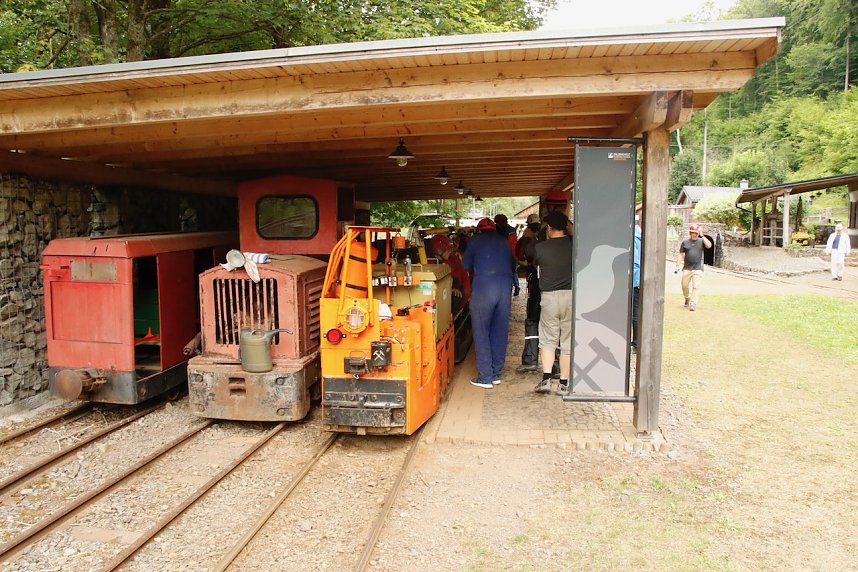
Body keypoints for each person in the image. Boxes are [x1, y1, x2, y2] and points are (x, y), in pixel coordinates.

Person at [462, 217, 516, 389]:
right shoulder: (503, 241)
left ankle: (485, 377)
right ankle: (496, 373)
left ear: (479, 229)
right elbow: (512, 264)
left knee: (481, 331)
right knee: (500, 330)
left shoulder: (475, 241)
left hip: (484, 288)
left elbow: (465, 265)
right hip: (504, 289)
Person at [533, 211, 573, 395]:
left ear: (548, 228)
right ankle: (564, 383)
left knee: (548, 338)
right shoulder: (575, 245)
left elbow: (534, 262)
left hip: (549, 297)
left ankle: (547, 379)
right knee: (567, 339)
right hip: (571, 296)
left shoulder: (541, 248)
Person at [515, 213, 542, 372]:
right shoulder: (555, 241)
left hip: (537, 285)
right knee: (554, 325)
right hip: (554, 287)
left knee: (532, 321)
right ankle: (556, 365)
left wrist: (525, 238)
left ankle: (530, 360)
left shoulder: (527, 240)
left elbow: (519, 254)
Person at [429, 234, 471, 313]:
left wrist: (460, 291)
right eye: (447, 250)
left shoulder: (455, 260)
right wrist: (448, 290)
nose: (450, 251)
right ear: (438, 251)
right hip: (438, 295)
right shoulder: (428, 263)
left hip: (454, 293)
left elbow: (465, 281)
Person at [676, 224, 711, 311]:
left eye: (696, 233)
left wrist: (702, 236)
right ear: (690, 233)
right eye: (693, 233)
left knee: (696, 286)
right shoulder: (685, 242)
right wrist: (678, 264)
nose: (695, 234)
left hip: (698, 268)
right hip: (687, 268)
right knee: (684, 286)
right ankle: (687, 298)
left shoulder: (701, 241)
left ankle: (693, 303)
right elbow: (681, 254)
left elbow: (709, 245)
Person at [494, 213, 520, 296]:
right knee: (513, 272)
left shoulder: (500, 231)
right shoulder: (512, 230)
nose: (496, 225)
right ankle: (515, 287)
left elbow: (510, 245)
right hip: (511, 255)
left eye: (497, 223)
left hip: (508, 256)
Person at [631, 223, 641, 350]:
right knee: (635, 312)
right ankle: (636, 342)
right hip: (636, 280)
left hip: (632, 280)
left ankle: (636, 342)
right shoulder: (638, 232)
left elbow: (635, 261)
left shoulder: (632, 234)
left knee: (633, 312)